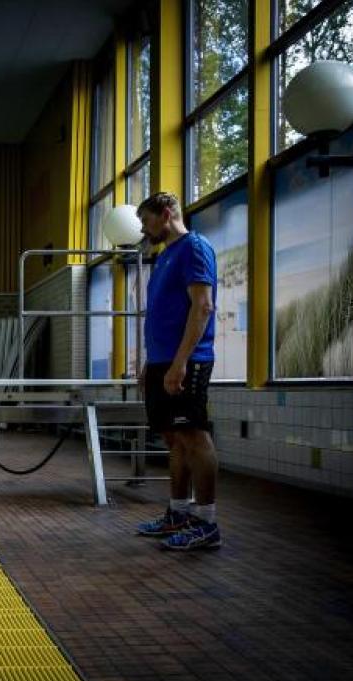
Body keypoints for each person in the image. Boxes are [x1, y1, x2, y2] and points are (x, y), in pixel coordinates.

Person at [133, 192, 223, 551]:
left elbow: (202, 307)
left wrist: (180, 361)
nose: (143, 228)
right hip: (162, 362)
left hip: (187, 361)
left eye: (146, 221)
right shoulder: (166, 256)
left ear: (166, 214)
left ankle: (207, 522)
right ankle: (178, 512)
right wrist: (150, 363)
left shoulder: (194, 248)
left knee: (193, 437)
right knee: (173, 437)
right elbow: (162, 316)